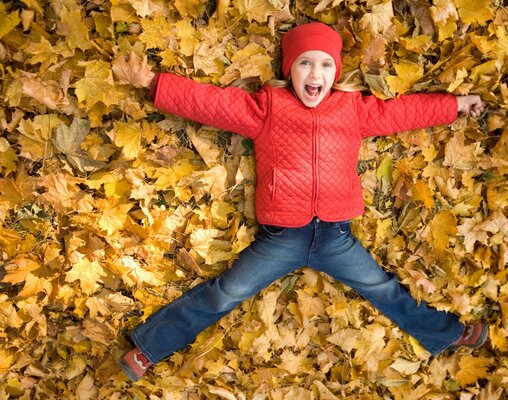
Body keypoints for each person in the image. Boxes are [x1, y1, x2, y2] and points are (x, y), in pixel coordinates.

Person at [119, 22, 488, 382]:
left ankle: (446, 333)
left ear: (336, 72)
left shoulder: (351, 109)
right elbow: (210, 104)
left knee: (383, 289)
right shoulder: (267, 108)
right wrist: (154, 83)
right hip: (281, 237)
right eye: (305, 63)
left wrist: (455, 104)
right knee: (227, 292)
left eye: (326, 64)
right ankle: (148, 348)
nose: (316, 72)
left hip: (336, 236)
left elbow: (404, 112)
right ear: (290, 70)